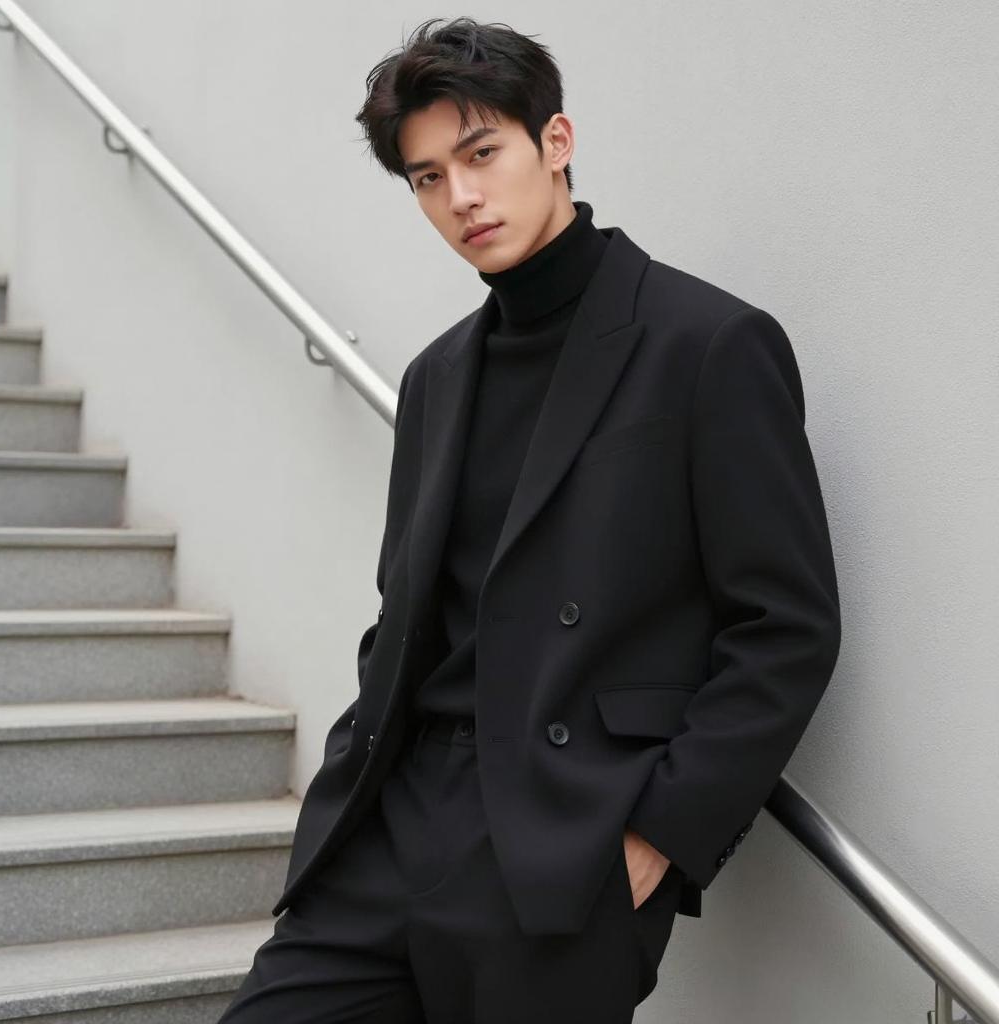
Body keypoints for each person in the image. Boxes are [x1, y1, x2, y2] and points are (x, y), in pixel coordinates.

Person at [218, 15, 842, 1023]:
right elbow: (406, 614)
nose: (459, 198)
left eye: (480, 153)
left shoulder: (706, 345)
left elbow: (786, 625)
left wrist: (658, 838)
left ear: (555, 142)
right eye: (426, 177)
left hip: (559, 852)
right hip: (390, 826)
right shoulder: (436, 376)